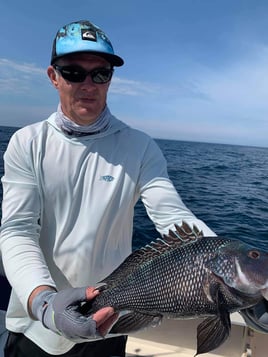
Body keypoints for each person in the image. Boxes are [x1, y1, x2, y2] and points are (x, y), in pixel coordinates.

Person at [0, 19, 267, 357]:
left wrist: (236, 281)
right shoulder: (28, 143)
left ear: (110, 78)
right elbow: (17, 231)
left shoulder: (140, 147)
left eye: (101, 73)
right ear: (53, 77)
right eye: (73, 72)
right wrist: (44, 301)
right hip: (38, 326)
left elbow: (173, 216)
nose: (88, 84)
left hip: (112, 320)